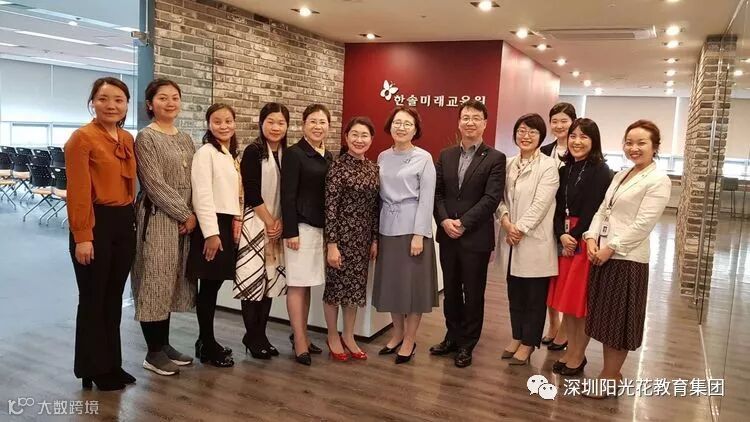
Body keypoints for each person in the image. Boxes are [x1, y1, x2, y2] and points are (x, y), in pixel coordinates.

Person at [582, 120, 671, 398]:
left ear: (655, 147)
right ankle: (613, 373)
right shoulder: (622, 174)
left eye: (641, 143)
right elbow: (603, 210)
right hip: (602, 254)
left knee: (618, 323)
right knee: (605, 318)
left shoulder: (658, 180)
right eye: (629, 142)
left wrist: (611, 248)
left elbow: (643, 224)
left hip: (627, 259)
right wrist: (591, 237)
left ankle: (609, 377)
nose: (634, 148)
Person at [66, 77, 137, 390]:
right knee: (93, 298)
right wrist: (83, 236)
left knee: (113, 297)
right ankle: (92, 368)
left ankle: (112, 364)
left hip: (124, 221)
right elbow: (78, 192)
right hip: (95, 222)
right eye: (104, 99)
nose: (111, 105)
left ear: (126, 105)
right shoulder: (81, 138)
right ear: (92, 102)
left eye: (119, 100)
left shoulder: (127, 138)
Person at [431, 100, 506, 368]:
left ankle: (467, 343)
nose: (470, 122)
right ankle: (452, 336)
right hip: (448, 235)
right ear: (459, 122)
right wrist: (444, 221)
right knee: (451, 291)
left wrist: (463, 223)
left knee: (473, 293)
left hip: (475, 238)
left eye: (476, 118)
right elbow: (438, 193)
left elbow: (491, 198)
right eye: (465, 117)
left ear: (484, 123)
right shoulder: (446, 155)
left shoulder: (495, 158)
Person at [131, 78, 197, 376]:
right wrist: (184, 214)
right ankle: (153, 351)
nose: (170, 103)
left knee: (171, 281)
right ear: (150, 104)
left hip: (184, 220)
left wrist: (192, 214)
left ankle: (165, 344)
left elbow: (194, 179)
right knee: (154, 280)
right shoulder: (146, 138)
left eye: (174, 97)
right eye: (162, 98)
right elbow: (153, 184)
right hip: (158, 217)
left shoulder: (185, 138)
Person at [373, 106, 438, 365]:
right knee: (392, 285)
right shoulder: (382, 156)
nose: (401, 127)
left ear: (415, 129)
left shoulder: (424, 158)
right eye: (397, 122)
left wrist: (419, 234)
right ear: (390, 126)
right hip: (387, 227)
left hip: (412, 230)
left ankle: (410, 339)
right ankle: (397, 333)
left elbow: (427, 199)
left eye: (407, 124)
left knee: (412, 289)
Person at [546, 118, 611, 376]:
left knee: (578, 304)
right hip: (565, 240)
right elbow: (556, 208)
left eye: (584, 136)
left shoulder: (601, 170)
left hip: (585, 239)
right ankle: (571, 351)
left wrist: (572, 236)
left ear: (594, 141)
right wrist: (560, 235)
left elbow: (593, 210)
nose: (577, 141)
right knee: (567, 304)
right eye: (573, 136)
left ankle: (577, 356)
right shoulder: (565, 169)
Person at [497, 113, 560, 366]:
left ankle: (529, 343)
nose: (526, 136)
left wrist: (519, 229)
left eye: (532, 132)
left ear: (541, 137)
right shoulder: (508, 164)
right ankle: (516, 336)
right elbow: (499, 198)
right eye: (522, 131)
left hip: (534, 241)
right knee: (515, 294)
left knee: (534, 297)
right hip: (511, 240)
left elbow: (541, 204)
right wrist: (505, 222)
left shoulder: (548, 166)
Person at [188, 103, 242, 368]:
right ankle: (207, 344)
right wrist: (211, 233)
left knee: (214, 285)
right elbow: (202, 195)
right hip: (212, 225)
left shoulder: (228, 154)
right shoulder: (205, 153)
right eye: (217, 121)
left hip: (225, 222)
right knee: (209, 287)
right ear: (209, 124)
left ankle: (204, 341)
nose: (224, 126)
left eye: (228, 121)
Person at [235, 102, 289, 359]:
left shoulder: (288, 154)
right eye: (271, 122)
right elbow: (252, 191)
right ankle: (252, 336)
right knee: (252, 283)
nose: (276, 127)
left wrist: (280, 223)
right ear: (261, 123)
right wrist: (269, 221)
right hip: (255, 224)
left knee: (269, 284)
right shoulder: (253, 151)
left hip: (277, 225)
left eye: (281, 123)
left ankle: (260, 335)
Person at [323, 116, 380, 362]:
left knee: (355, 291)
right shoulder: (337, 167)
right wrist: (332, 245)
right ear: (346, 137)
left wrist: (374, 239)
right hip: (341, 240)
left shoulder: (374, 168)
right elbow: (330, 208)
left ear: (371, 139)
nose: (359, 140)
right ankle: (332, 336)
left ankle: (348, 335)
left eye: (364, 135)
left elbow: (376, 208)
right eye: (354, 134)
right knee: (335, 290)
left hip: (363, 240)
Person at [281, 104, 334, 366]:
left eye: (322, 122)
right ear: (303, 124)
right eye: (313, 121)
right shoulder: (294, 154)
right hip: (300, 229)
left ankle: (302, 335)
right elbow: (287, 195)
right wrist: (291, 231)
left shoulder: (329, 155)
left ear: (329, 127)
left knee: (308, 283)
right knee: (297, 284)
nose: (317, 126)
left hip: (320, 229)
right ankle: (300, 341)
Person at [540, 102, 577, 349]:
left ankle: (564, 329)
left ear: (573, 122)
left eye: (564, 121)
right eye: (555, 121)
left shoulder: (580, 150)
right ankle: (553, 324)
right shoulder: (544, 151)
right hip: (544, 218)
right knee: (548, 276)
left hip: (568, 221)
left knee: (566, 276)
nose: (559, 125)